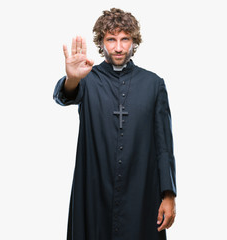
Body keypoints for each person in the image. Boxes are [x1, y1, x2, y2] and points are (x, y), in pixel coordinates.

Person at [53, 8, 176, 240]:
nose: (118, 47)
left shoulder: (153, 83)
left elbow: (164, 147)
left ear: (134, 41)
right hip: (94, 189)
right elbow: (65, 96)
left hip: (141, 191)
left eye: (125, 39)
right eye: (111, 39)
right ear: (101, 42)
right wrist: (72, 78)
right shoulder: (87, 78)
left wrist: (168, 195)